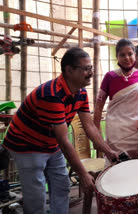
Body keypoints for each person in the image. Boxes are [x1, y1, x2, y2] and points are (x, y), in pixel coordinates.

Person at [2, 47, 116, 214]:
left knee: (62, 185)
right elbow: (64, 141)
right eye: (86, 69)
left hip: (51, 144)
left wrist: (109, 151)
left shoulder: (81, 93)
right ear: (69, 70)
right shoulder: (51, 95)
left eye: (90, 68)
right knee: (36, 195)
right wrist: (83, 174)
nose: (91, 73)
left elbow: (89, 126)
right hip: (26, 145)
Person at [93, 39, 138, 167]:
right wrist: (97, 135)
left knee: (137, 168)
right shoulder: (110, 77)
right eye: (122, 55)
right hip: (116, 134)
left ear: (134, 54)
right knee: (117, 167)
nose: (127, 58)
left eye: (130, 54)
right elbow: (98, 106)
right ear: (117, 57)